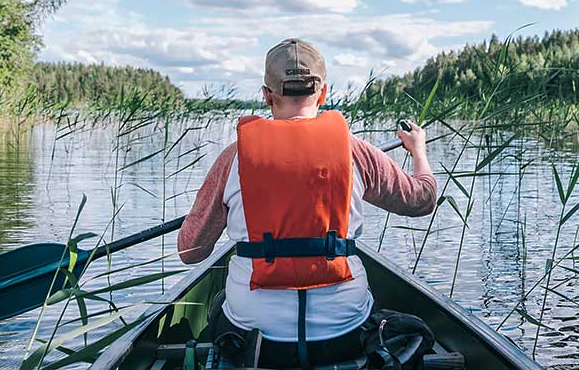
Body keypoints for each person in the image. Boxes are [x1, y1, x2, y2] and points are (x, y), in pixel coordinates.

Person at [177, 38, 437, 368]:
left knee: (219, 304)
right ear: (323, 93)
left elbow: (190, 252)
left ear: (267, 95)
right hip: (343, 337)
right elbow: (422, 199)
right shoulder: (356, 152)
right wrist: (419, 152)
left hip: (258, 342)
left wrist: (207, 212)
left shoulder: (233, 159)